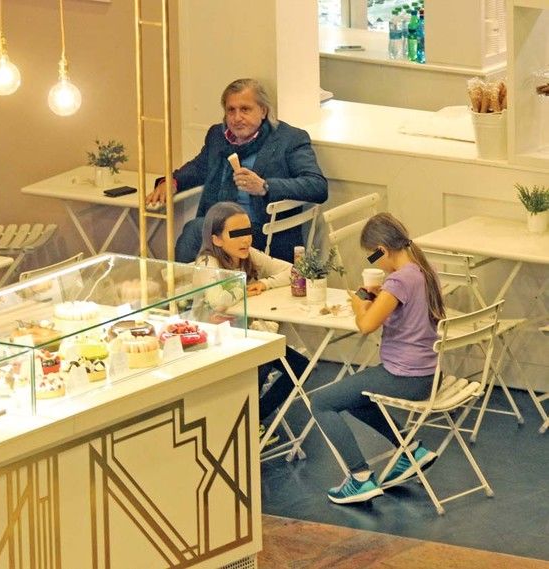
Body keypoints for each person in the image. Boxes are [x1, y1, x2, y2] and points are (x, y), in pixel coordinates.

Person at [310, 212, 445, 505]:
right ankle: (411, 450)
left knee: (321, 402)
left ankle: (359, 477)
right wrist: (382, 296)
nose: (375, 263)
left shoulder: (399, 281)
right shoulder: (425, 270)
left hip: (405, 377)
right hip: (430, 374)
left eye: (373, 257)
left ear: (382, 249)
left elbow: (366, 325)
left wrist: (359, 304)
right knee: (356, 395)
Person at [147, 78, 328, 263]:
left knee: (196, 230)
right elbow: (199, 167)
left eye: (245, 109)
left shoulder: (289, 139)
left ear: (263, 111)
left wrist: (264, 186)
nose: (237, 117)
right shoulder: (218, 135)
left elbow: (317, 186)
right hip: (220, 227)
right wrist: (173, 182)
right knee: (203, 230)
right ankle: (187, 278)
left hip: (261, 232)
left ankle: (179, 279)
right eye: (231, 110)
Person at [195, 201, 309, 443]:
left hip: (246, 337)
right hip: (212, 342)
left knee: (301, 367)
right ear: (216, 239)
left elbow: (292, 270)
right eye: (236, 234)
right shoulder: (207, 262)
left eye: (247, 232)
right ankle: (243, 424)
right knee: (262, 359)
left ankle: (252, 418)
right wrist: (244, 287)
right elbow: (218, 300)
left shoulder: (248, 255)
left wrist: (265, 283)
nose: (245, 239)